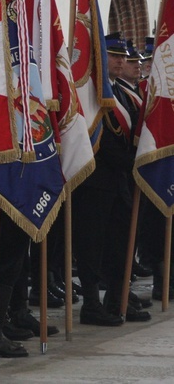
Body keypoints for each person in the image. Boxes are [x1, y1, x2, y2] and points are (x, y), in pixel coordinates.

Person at [73, 33, 150, 326]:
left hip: (119, 182)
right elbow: (100, 142)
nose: (120, 61)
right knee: (91, 246)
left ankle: (117, 299)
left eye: (123, 57)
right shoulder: (93, 95)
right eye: (114, 55)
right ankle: (90, 305)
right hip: (96, 183)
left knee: (119, 244)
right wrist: (133, 163)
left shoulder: (120, 93)